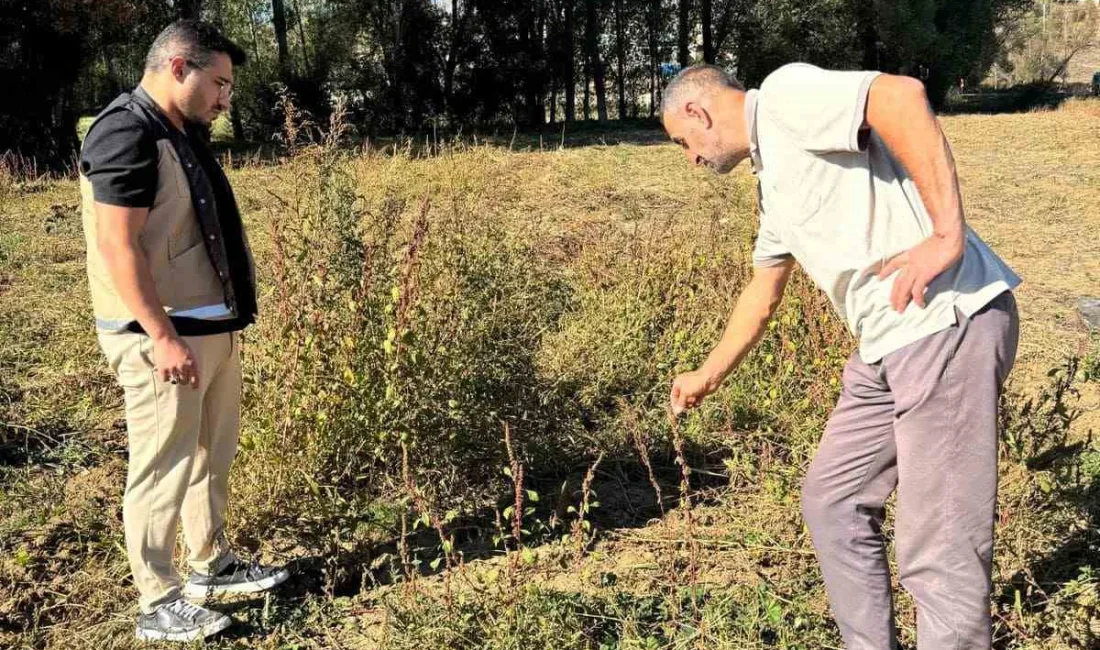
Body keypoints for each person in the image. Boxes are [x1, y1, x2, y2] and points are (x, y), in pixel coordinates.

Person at [662, 63, 1020, 649]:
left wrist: (946, 238)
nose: (691, 158)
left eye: (684, 142)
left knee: (939, 547)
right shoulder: (772, 180)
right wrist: (708, 373)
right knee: (834, 501)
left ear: (698, 113)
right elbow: (763, 289)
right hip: (886, 346)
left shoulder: (782, 97)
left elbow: (902, 97)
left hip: (943, 323)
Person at [79, 20, 288, 642]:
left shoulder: (181, 130)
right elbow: (117, 247)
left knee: (209, 453)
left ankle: (210, 564)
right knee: (162, 462)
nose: (227, 98)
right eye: (219, 83)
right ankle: (157, 598)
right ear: (177, 67)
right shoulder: (125, 131)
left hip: (210, 323)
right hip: (163, 335)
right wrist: (162, 336)